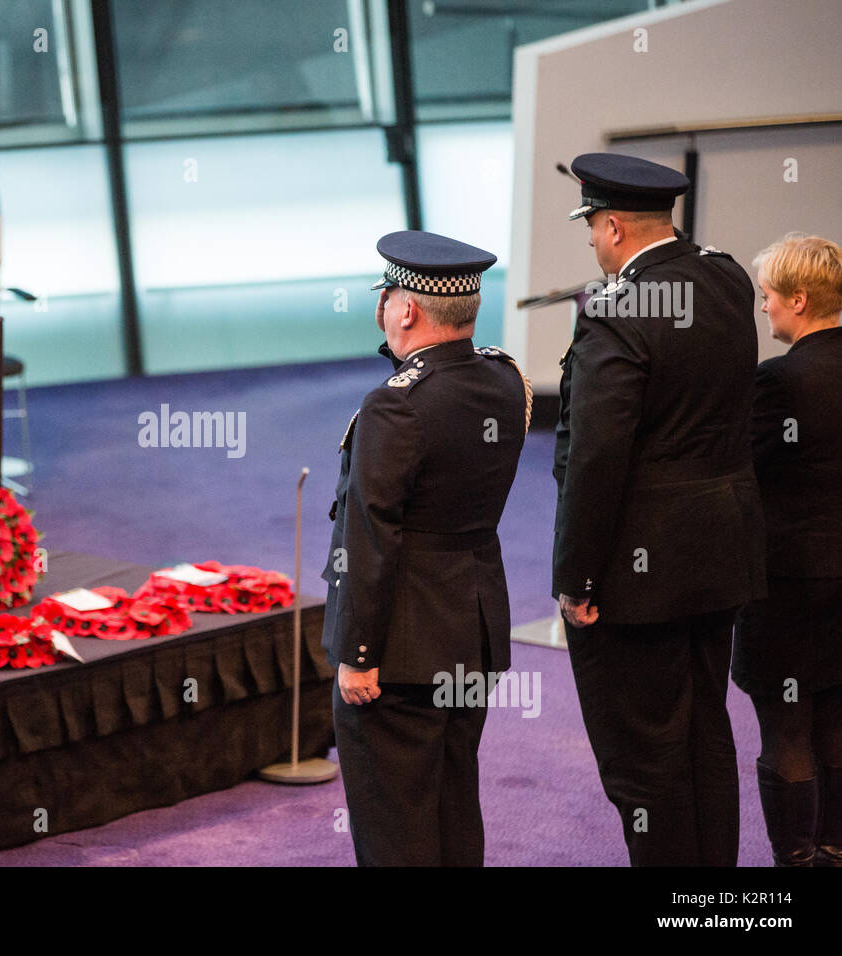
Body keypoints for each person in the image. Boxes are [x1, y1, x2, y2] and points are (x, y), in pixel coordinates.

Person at [553, 153, 765, 866]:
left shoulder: (613, 311)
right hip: (723, 551)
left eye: (590, 227)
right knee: (707, 734)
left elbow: (596, 457)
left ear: (612, 225)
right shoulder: (728, 275)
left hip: (639, 577)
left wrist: (577, 579)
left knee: (644, 762)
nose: (590, 241)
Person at [323, 230, 530, 866]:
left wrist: (358, 652)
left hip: (400, 652)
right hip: (470, 633)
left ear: (405, 310)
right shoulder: (503, 379)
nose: (381, 307)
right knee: (451, 804)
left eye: (384, 296)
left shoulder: (395, 407)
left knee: (395, 827)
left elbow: (370, 537)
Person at [733, 233, 842, 866]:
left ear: (798, 300)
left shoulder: (778, 381)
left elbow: (746, 471)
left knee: (788, 728)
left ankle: (796, 865)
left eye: (769, 297)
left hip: (793, 585)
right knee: (835, 720)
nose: (765, 308)